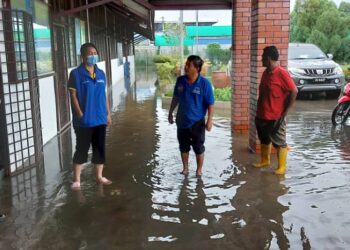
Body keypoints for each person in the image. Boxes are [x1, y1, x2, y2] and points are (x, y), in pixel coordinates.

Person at [68, 42, 112, 190]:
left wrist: (108, 113)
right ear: (82, 56)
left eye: (95, 53)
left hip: (100, 118)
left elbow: (103, 95)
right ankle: (76, 180)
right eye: (90, 53)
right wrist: (80, 114)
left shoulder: (101, 73)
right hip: (84, 121)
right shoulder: (75, 74)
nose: (93, 56)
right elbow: (73, 96)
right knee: (82, 148)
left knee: (99, 148)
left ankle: (99, 177)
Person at [253, 46, 298, 174]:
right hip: (262, 114)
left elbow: (294, 91)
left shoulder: (281, 73)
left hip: (276, 116)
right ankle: (265, 160)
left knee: (280, 142)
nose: (261, 59)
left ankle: (282, 167)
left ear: (268, 58)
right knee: (264, 138)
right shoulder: (266, 72)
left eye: (262, 57)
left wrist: (285, 112)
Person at [168, 55, 215, 177]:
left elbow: (210, 104)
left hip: (197, 122)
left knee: (198, 147)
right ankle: (185, 169)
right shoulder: (181, 81)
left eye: (189, 65)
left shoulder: (205, 84)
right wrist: (170, 113)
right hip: (182, 121)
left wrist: (209, 120)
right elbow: (176, 98)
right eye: (186, 64)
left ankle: (199, 170)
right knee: (183, 147)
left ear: (197, 68)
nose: (186, 67)